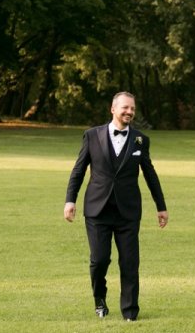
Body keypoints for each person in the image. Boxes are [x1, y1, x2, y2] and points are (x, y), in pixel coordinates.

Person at [64, 91, 168, 321]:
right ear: (113, 109)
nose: (129, 112)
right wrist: (70, 200)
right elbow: (79, 170)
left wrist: (161, 206)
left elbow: (150, 174)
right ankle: (99, 299)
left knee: (130, 262)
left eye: (132, 108)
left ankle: (130, 311)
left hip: (128, 211)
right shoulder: (92, 136)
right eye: (125, 108)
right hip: (97, 210)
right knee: (99, 260)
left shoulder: (140, 140)